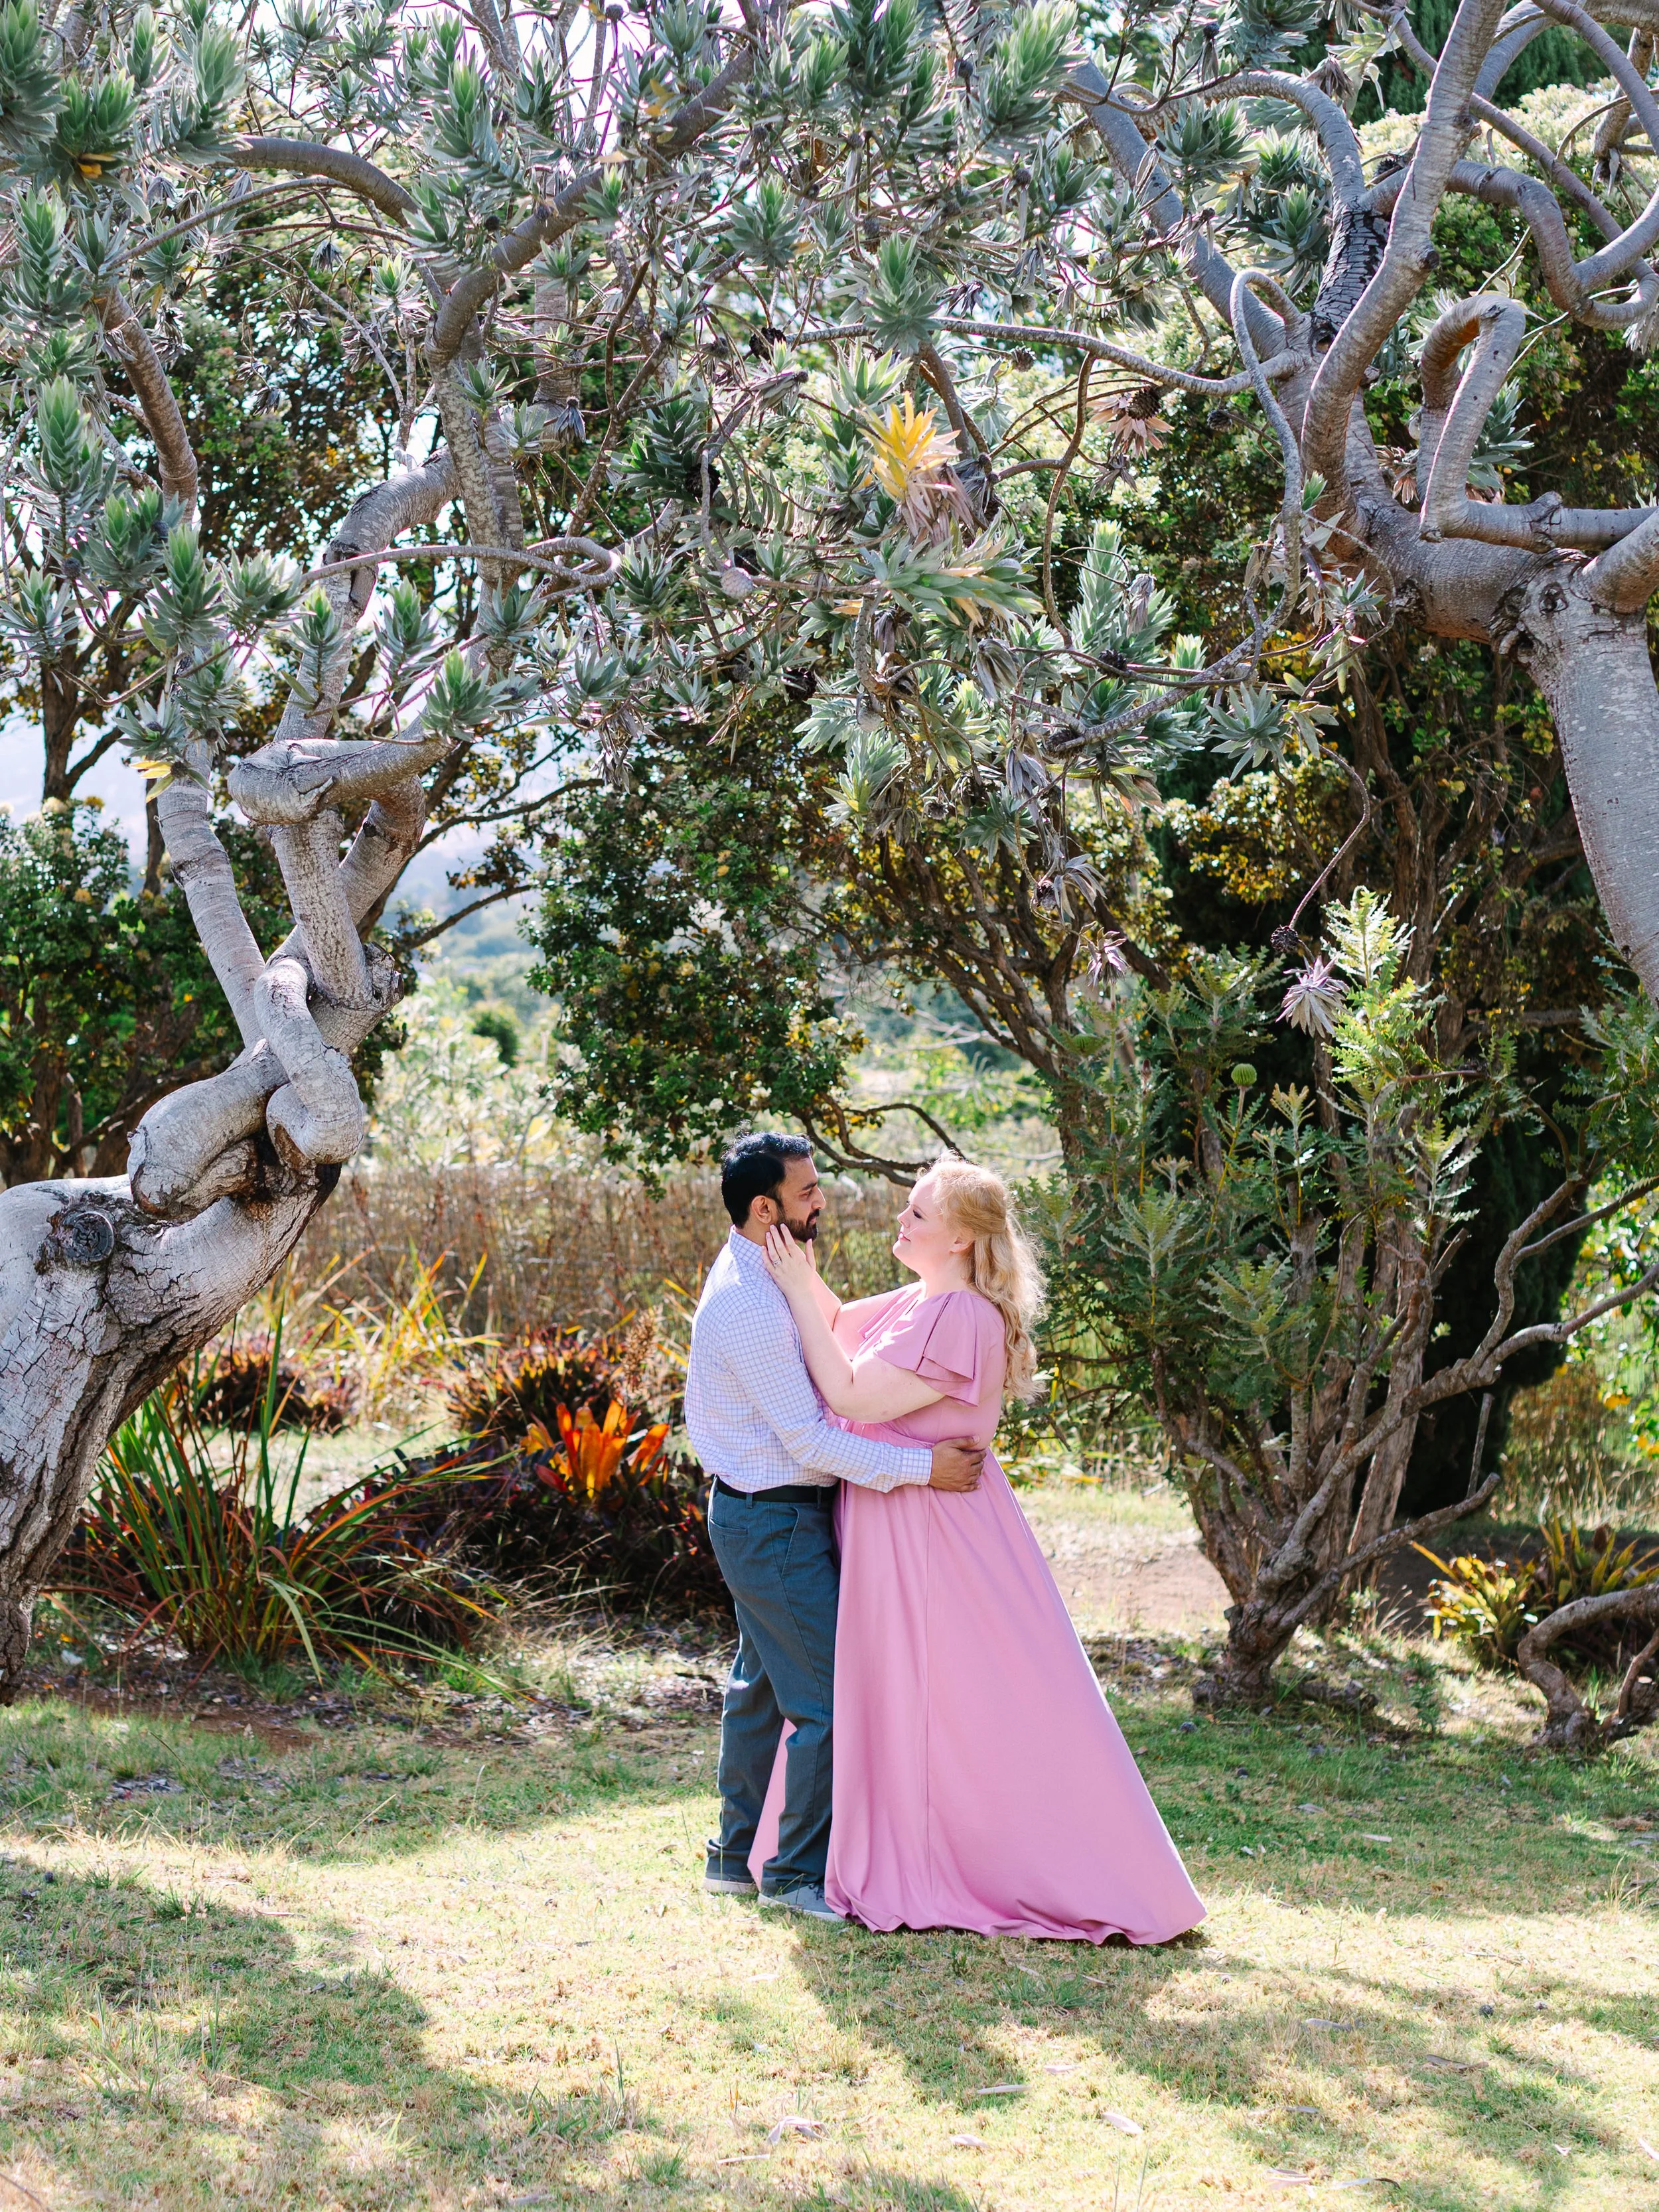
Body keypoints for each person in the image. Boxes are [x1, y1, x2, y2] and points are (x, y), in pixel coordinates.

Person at [760, 1156, 1205, 1945]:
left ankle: (1002, 1860)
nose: (902, 1222)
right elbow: (834, 1330)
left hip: (937, 1541)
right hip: (898, 1524)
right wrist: (791, 1267)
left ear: (961, 1239)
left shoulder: (960, 1316)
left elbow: (853, 1394)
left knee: (958, 1706)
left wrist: (795, 1287)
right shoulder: (919, 1301)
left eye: (919, 1215)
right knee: (909, 1698)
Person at [684, 1133, 987, 1925]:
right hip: (775, 1518)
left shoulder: (769, 1274)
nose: (822, 1199)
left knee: (760, 1691)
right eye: (808, 1190)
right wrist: (929, 1471)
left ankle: (730, 1858)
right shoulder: (749, 1304)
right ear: (765, 1208)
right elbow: (813, 1439)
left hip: (766, 1515)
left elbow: (836, 1343)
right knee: (827, 1701)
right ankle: (791, 1876)